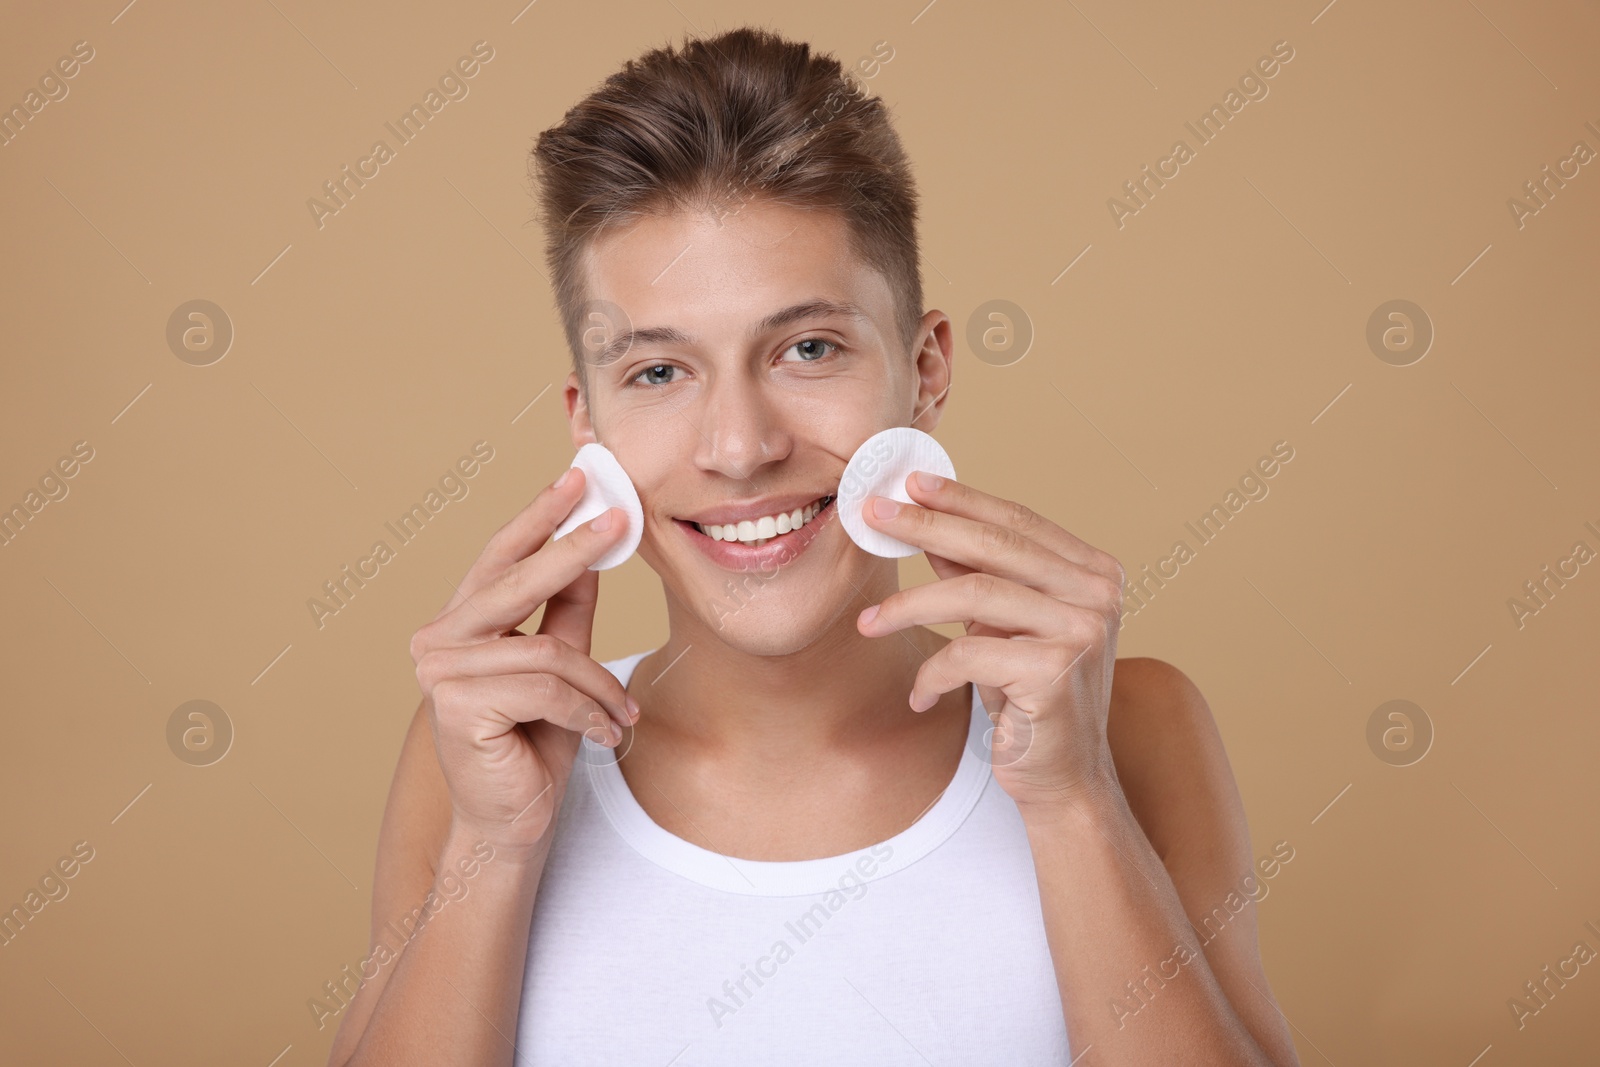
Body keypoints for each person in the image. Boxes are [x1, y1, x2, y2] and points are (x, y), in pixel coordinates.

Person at [325, 25, 1301, 1067]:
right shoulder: (477, 757)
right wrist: (494, 844)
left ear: (923, 369)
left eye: (807, 348)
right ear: (588, 422)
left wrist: (1072, 803)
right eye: (658, 371)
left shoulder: (1133, 724)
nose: (740, 448)